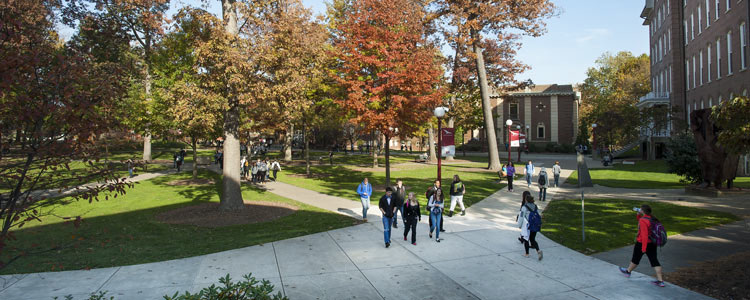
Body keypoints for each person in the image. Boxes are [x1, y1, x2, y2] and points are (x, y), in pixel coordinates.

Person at [619, 204, 666, 287]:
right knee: (654, 260)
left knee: (635, 259)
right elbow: (641, 222)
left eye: (640, 209)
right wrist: (638, 215)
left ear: (643, 211)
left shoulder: (643, 220)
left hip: (642, 243)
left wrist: (644, 248)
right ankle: (660, 281)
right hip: (652, 243)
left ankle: (628, 272)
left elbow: (644, 234)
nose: (639, 209)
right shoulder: (652, 218)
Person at [517, 195, 543, 260]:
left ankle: (527, 254)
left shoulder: (524, 207)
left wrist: (519, 225)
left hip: (527, 226)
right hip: (535, 225)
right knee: (533, 239)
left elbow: (521, 217)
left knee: (526, 239)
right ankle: (538, 251)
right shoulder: (535, 206)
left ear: (526, 200)